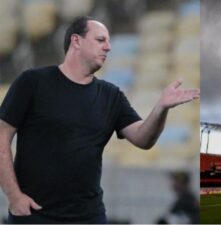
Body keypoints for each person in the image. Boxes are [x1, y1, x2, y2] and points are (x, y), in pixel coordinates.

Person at [0, 16, 199, 224]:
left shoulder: (111, 95)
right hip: (34, 215)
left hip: (89, 217)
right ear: (76, 41)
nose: (109, 47)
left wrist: (161, 108)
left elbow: (143, 138)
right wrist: (14, 197)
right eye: (101, 40)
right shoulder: (33, 82)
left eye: (109, 41)